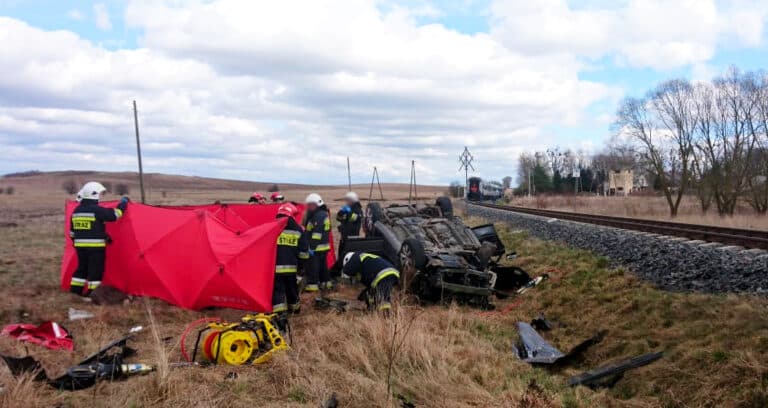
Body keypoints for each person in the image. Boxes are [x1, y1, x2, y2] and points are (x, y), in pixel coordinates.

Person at [69, 182, 129, 297]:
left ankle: (75, 292)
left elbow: (73, 232)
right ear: (94, 194)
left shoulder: (76, 211)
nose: (101, 196)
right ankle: (93, 294)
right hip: (95, 248)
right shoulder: (96, 210)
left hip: (80, 247)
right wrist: (123, 203)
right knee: (95, 270)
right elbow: (115, 215)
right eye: (100, 194)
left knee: (82, 268)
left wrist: (102, 235)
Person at [272, 203, 308, 317]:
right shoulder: (298, 230)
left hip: (275, 268)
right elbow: (303, 252)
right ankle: (295, 310)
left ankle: (279, 314)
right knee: (292, 290)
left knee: (278, 291)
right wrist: (302, 267)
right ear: (291, 214)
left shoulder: (272, 228)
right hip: (291, 268)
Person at [302, 193, 331, 292]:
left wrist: (312, 247)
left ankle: (312, 287)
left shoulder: (318, 216)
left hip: (317, 248)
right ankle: (326, 283)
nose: (308, 207)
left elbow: (316, 234)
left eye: (310, 205)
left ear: (315, 204)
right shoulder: (322, 214)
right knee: (323, 267)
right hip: (323, 247)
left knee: (313, 267)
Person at [335, 191, 363, 259]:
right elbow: (338, 219)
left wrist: (349, 212)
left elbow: (354, 219)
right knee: (341, 255)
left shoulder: (358, 209)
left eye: (348, 200)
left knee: (349, 256)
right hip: (344, 237)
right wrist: (341, 212)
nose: (346, 202)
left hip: (352, 238)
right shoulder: (347, 207)